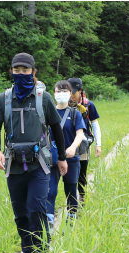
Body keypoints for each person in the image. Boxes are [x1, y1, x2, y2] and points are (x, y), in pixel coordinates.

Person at [0, 53, 68, 253]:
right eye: (17, 70)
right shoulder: (3, 99)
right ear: (11, 71)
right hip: (14, 164)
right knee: (21, 213)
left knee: (36, 208)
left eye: (26, 71)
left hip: (39, 165)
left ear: (34, 72)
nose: (21, 74)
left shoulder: (44, 98)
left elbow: (56, 128)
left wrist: (61, 158)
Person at [47, 80, 86, 234]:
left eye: (65, 90)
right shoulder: (48, 112)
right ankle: (49, 222)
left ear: (71, 94)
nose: (61, 93)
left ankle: (71, 222)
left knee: (71, 189)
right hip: (52, 158)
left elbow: (80, 134)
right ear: (53, 93)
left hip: (71, 158)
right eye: (58, 91)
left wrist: (72, 147)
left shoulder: (75, 113)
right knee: (50, 191)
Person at [67, 78, 102, 204]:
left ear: (80, 91)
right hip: (67, 143)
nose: (71, 95)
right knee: (69, 174)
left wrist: (98, 144)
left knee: (82, 173)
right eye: (69, 91)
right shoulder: (64, 104)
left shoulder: (88, 104)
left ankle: (81, 198)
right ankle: (70, 199)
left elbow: (95, 125)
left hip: (83, 144)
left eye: (74, 92)